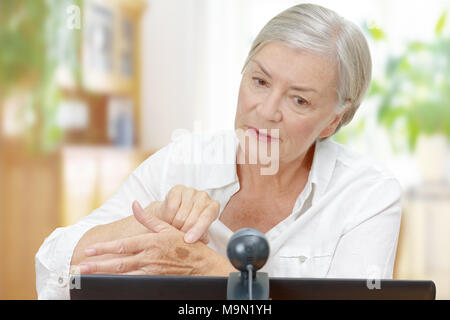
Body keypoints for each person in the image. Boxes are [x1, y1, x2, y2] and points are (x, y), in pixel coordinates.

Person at [35, 3, 402, 299]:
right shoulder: (182, 160)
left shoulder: (367, 194)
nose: (266, 110)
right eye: (259, 81)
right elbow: (53, 266)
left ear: (332, 122)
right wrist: (151, 217)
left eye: (299, 100)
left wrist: (209, 271)